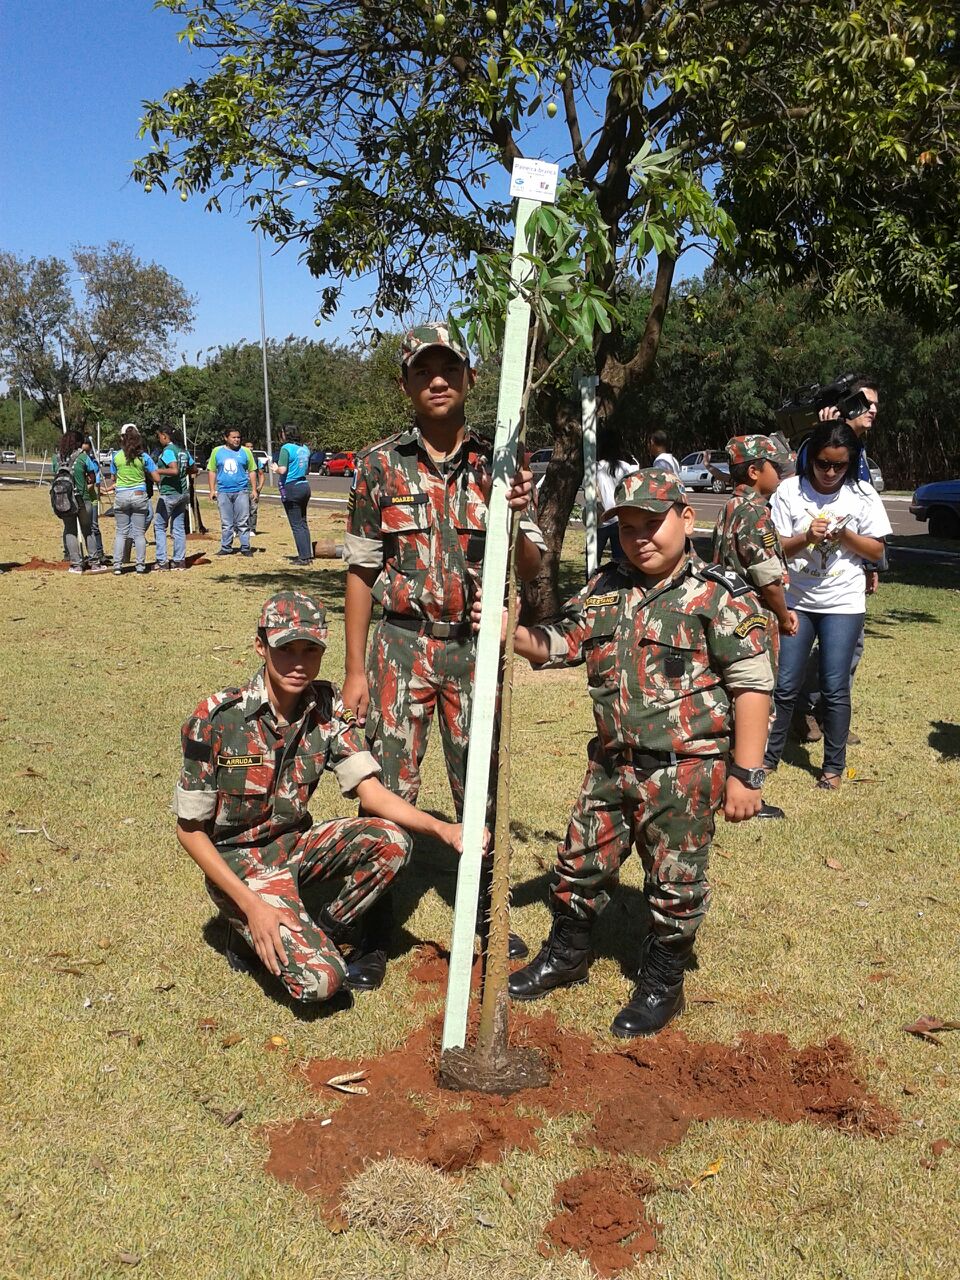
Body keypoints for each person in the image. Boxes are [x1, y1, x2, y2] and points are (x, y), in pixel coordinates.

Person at [501, 469, 774, 1037]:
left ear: (687, 519)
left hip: (685, 772)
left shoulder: (717, 596)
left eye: (652, 524)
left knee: (675, 882)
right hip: (611, 762)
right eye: (627, 528)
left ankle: (662, 982)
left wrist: (746, 774)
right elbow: (562, 643)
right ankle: (567, 954)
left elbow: (751, 684)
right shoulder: (605, 586)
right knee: (579, 862)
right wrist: (514, 634)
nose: (640, 538)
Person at [343, 322, 544, 959]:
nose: (438, 380)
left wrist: (518, 518)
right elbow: (360, 568)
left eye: (449, 369)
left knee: (477, 782)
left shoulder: (503, 463)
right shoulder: (378, 465)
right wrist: (354, 670)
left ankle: (486, 914)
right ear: (405, 383)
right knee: (390, 783)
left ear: (470, 380)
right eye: (424, 371)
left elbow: (531, 567)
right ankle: (374, 924)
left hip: (472, 653)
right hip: (399, 649)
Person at [174, 591, 464, 1001]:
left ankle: (324, 929)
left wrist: (443, 829)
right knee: (322, 983)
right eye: (285, 649)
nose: (298, 663)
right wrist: (252, 905)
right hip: (240, 867)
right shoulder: (217, 719)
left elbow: (372, 792)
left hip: (295, 846)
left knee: (393, 841)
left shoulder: (326, 708)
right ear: (261, 646)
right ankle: (246, 926)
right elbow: (189, 832)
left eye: (310, 651)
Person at [763, 420, 891, 793]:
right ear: (810, 459)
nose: (831, 472)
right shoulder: (789, 491)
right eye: (823, 464)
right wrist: (806, 536)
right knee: (785, 684)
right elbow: (774, 549)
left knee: (835, 687)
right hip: (797, 600)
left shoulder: (862, 494)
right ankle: (769, 758)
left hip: (843, 603)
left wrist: (846, 535)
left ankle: (833, 767)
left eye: (840, 465)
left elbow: (878, 550)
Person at [794, 378, 881, 745]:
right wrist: (824, 432)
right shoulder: (821, 446)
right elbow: (801, 481)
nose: (873, 410)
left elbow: (864, 516)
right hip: (813, 575)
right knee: (829, 648)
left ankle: (826, 714)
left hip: (849, 568)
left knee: (849, 647)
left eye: (875, 404)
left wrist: (871, 565)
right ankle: (805, 711)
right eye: (865, 403)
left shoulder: (856, 450)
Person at [53, 430, 109, 574]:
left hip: (64, 499)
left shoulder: (57, 458)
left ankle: (76, 564)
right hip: (82, 498)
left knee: (70, 530)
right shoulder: (83, 457)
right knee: (88, 529)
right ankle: (94, 562)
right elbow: (92, 476)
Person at [110, 425, 160, 575]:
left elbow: (113, 477)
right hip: (139, 495)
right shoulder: (144, 457)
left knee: (121, 532)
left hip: (122, 495)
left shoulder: (116, 456)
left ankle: (117, 565)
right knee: (139, 533)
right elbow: (157, 477)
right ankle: (140, 566)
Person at [595, 429, 638, 563]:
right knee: (620, 562)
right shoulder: (626, 467)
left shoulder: (596, 467)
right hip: (619, 519)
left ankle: (591, 583)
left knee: (592, 561)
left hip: (600, 520)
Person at [207, 427, 252, 557]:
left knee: (243, 521)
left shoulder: (245, 452)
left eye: (238, 437)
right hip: (223, 492)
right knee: (226, 523)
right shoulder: (217, 451)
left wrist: (254, 489)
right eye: (233, 437)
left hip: (241, 491)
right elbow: (212, 470)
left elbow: (252, 470)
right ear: (226, 438)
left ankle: (245, 547)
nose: (237, 440)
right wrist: (212, 490)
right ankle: (226, 547)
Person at [154, 426, 194, 571]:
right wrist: (185, 472)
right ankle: (179, 561)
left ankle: (162, 561)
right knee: (178, 527)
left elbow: (174, 469)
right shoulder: (183, 451)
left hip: (169, 493)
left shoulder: (168, 451)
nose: (159, 439)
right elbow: (194, 468)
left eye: (159, 436)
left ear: (165, 436)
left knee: (159, 526)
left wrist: (156, 470)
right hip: (183, 493)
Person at [274, 425, 313, 564]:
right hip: (304, 486)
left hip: (291, 487)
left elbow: (283, 470)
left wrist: (275, 468)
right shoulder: (305, 449)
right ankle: (308, 554)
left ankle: (303, 558)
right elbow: (307, 470)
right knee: (303, 522)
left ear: (286, 434)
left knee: (296, 525)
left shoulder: (286, 448)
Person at [243, 440, 266, 535]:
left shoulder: (257, 460)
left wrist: (259, 486)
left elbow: (261, 474)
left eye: (251, 446)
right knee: (241, 510)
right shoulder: (240, 458)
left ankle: (252, 529)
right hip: (242, 488)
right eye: (248, 447)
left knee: (253, 509)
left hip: (253, 489)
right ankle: (240, 529)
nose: (250, 448)